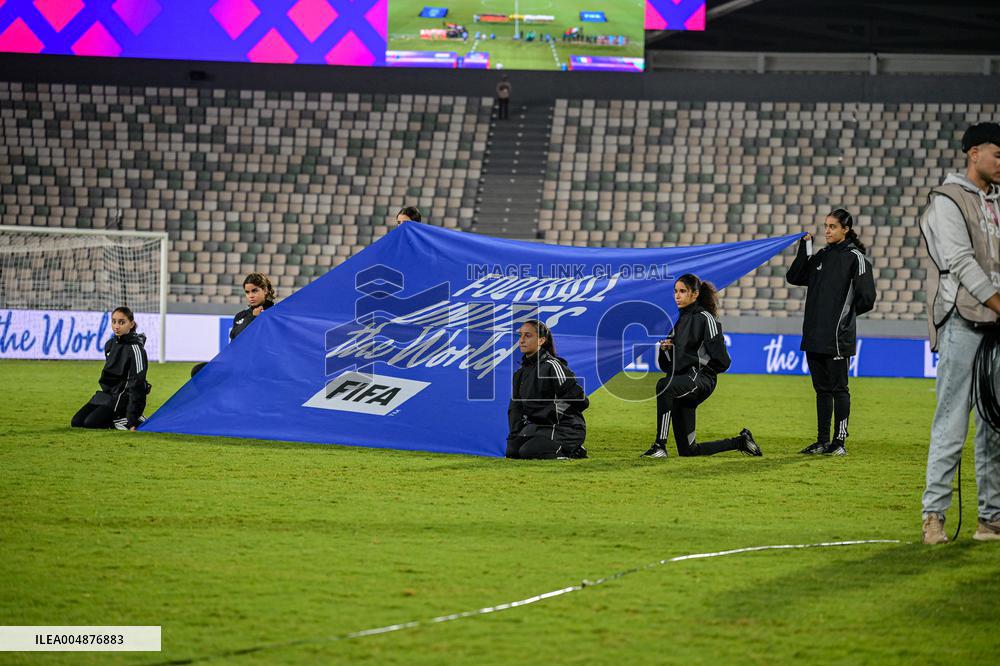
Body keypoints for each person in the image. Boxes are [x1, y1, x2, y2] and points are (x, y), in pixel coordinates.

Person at [919, 122, 1000, 544]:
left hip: (996, 327)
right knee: (952, 421)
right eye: (998, 155)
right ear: (974, 154)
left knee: (996, 423)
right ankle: (934, 517)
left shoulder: (997, 202)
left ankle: (991, 520)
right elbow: (961, 263)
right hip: (962, 320)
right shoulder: (946, 201)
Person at [786, 208, 877, 456]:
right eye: (825, 226)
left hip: (837, 336)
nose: (827, 231)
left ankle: (839, 442)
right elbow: (794, 276)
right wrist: (805, 249)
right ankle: (822, 441)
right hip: (814, 335)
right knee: (822, 391)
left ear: (845, 229)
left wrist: (844, 318)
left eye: (832, 227)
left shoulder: (855, 258)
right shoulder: (821, 256)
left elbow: (867, 298)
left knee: (839, 390)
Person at [641, 274, 761, 458]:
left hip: (700, 380)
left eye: (682, 291)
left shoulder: (706, 318)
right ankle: (741, 442)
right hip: (682, 384)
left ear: (695, 294)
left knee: (663, 386)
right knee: (689, 451)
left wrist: (700, 370)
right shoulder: (679, 323)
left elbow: (723, 361)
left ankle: (660, 446)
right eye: (675, 291)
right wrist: (665, 350)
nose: (677, 296)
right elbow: (667, 367)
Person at [506, 319, 588, 460]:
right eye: (520, 335)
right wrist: (514, 436)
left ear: (541, 340)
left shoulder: (552, 366)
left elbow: (582, 401)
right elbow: (516, 408)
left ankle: (574, 450)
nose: (521, 340)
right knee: (512, 452)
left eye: (528, 335)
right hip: (539, 427)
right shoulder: (520, 373)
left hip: (566, 428)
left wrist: (555, 411)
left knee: (528, 452)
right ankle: (552, 446)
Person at [71, 306, 149, 430]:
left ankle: (138, 420)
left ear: (131, 324)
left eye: (122, 322)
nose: (116, 326)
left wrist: (132, 419)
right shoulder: (110, 345)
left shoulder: (136, 349)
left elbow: (137, 385)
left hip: (123, 398)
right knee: (77, 422)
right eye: (114, 321)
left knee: (91, 423)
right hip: (106, 396)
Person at [190, 273, 276, 377]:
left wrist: (258, 318)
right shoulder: (241, 316)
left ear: (265, 290)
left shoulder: (276, 313)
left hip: (262, 366)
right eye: (247, 292)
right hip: (237, 364)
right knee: (198, 371)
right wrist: (253, 317)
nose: (251, 295)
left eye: (255, 290)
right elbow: (237, 341)